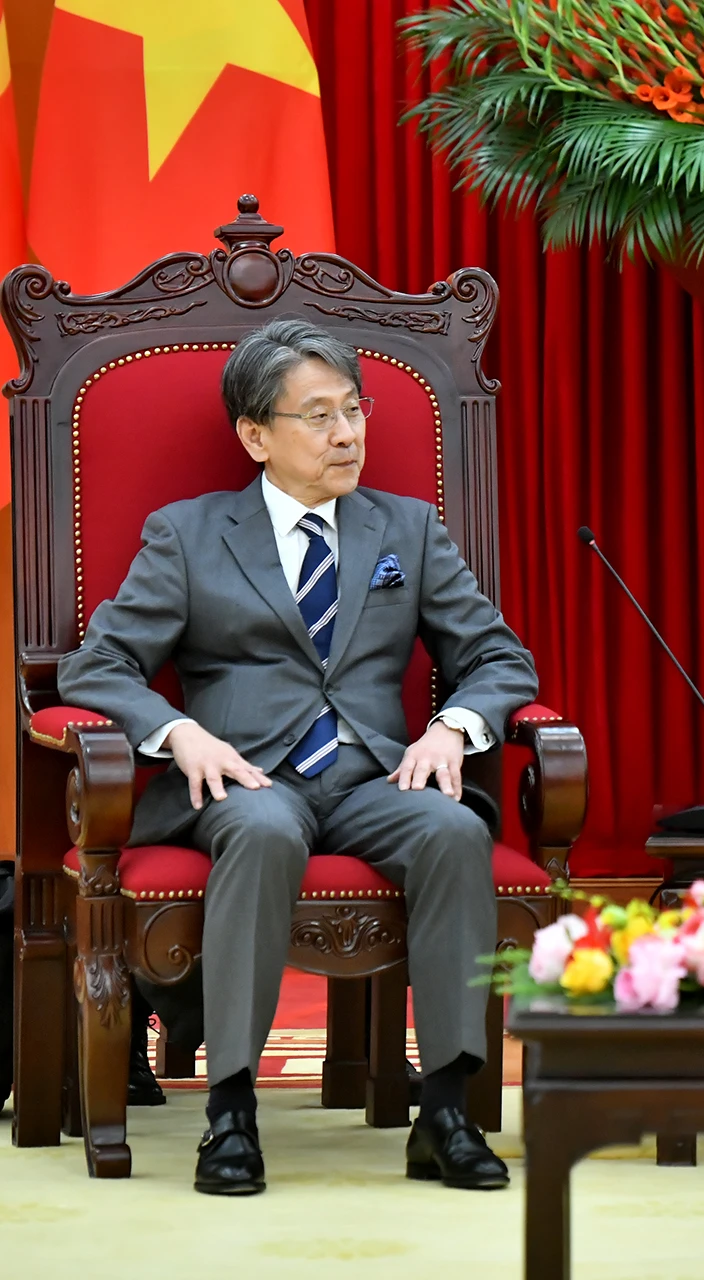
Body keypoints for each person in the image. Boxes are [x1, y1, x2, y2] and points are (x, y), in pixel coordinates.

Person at [59, 319, 538, 1196]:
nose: (347, 433)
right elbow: (100, 663)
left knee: (449, 831)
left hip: (371, 777)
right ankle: (231, 1113)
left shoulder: (409, 528)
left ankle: (446, 1111)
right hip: (244, 776)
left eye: (354, 410)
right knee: (264, 829)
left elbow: (501, 659)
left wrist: (451, 729)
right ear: (255, 435)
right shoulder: (190, 534)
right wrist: (180, 734)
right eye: (317, 416)